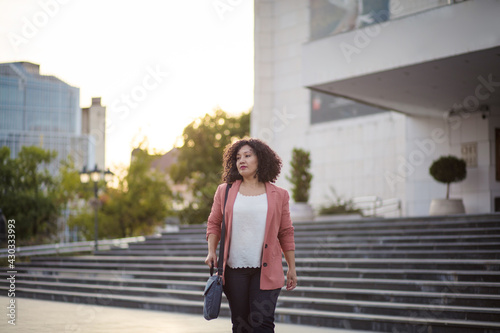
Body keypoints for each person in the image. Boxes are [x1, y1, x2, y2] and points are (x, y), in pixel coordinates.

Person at [205, 138, 297, 333]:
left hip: (267, 270)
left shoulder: (279, 195)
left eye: (247, 156)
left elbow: (286, 232)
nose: (241, 161)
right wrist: (211, 251)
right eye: (238, 157)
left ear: (260, 160)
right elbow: (214, 222)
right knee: (240, 325)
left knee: (263, 324)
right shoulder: (225, 191)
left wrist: (291, 267)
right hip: (233, 269)